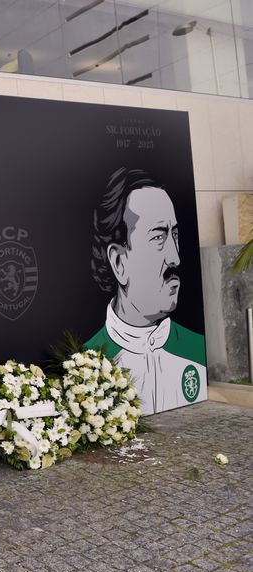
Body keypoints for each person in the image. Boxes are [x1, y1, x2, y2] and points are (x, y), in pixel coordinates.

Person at [84, 168, 206, 415]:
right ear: (119, 262)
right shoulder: (86, 365)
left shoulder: (196, 351)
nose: (175, 258)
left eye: (175, 234)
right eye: (158, 237)